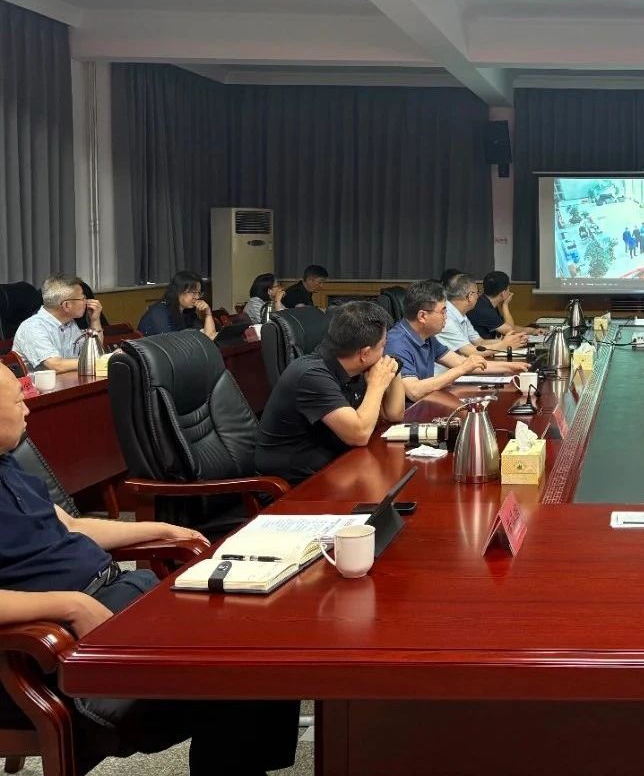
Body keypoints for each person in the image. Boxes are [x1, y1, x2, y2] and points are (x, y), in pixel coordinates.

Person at [0, 365, 300, 775]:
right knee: (229, 673)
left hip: (119, 596)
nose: (28, 410)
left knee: (264, 632)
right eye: (18, 401)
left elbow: (71, 526)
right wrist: (72, 605)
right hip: (52, 648)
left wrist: (160, 528)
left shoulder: (7, 462)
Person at [255, 301, 405, 484]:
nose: (384, 352)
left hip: (338, 467)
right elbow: (359, 434)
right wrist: (376, 385)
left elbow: (394, 414)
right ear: (364, 354)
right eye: (383, 346)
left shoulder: (353, 366)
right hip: (297, 484)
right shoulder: (311, 375)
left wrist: (393, 368)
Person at [387, 281, 507, 403]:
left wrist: (513, 367)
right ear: (422, 316)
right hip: (412, 410)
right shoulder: (396, 343)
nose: (446, 317)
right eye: (443, 312)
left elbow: (460, 361)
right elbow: (414, 391)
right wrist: (462, 369)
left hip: (426, 403)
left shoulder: (427, 336)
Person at [435, 274, 529, 374]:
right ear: (470, 296)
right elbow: (471, 351)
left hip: (457, 371)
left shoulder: (460, 313)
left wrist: (509, 341)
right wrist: (504, 344)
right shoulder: (446, 318)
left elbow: (479, 342)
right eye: (478, 292)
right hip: (443, 375)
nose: (479, 296)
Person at [12, 273, 104, 373]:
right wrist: (98, 362)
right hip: (43, 383)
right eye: (83, 298)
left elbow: (94, 350)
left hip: (69, 380)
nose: (86, 302)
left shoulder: (70, 323)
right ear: (67, 305)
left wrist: (95, 320)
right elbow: (55, 365)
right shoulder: (33, 327)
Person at [138, 271, 217, 340]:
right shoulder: (159, 312)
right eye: (193, 292)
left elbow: (209, 337)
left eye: (198, 293)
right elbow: (170, 344)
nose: (197, 297)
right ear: (178, 291)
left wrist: (208, 313)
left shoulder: (188, 312)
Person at [467, 271, 541, 341]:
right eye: (508, 289)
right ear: (503, 293)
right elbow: (510, 331)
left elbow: (504, 325)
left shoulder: (484, 301)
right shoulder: (485, 310)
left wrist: (532, 331)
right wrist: (505, 305)